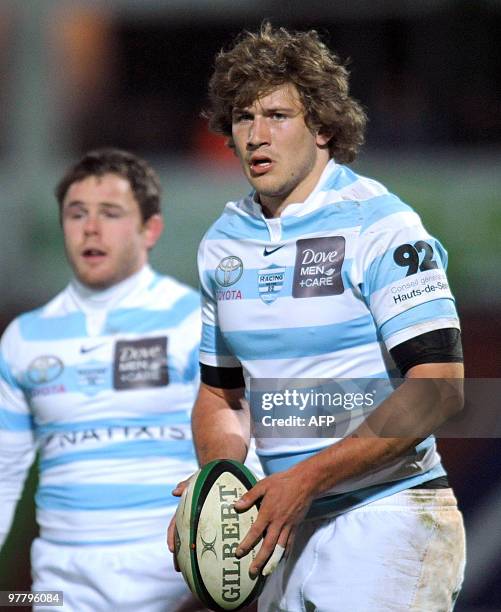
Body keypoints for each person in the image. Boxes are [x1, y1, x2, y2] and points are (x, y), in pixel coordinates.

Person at [169, 24, 466, 611]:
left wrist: (304, 481)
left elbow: (439, 390)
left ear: (324, 126)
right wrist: (221, 488)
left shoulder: (382, 226)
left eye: (277, 115)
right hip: (283, 531)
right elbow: (222, 396)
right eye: (242, 117)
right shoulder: (222, 243)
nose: (256, 134)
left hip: (387, 518)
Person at [0, 149, 204, 611]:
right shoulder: (24, 337)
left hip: (174, 582)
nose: (90, 228)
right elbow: (3, 471)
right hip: (59, 585)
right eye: (76, 214)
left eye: (110, 214)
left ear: (150, 230)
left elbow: (241, 453)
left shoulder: (195, 321)